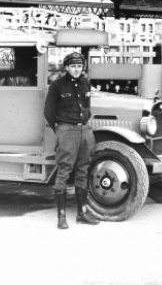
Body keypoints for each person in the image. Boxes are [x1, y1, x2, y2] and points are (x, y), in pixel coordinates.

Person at [44, 52, 100, 229]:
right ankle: (61, 217)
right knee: (64, 171)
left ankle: (82, 213)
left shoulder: (85, 83)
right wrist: (60, 130)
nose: (77, 69)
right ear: (67, 67)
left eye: (79, 66)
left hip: (85, 130)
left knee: (83, 170)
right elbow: (48, 112)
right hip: (66, 130)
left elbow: (87, 105)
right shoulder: (57, 85)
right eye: (73, 66)